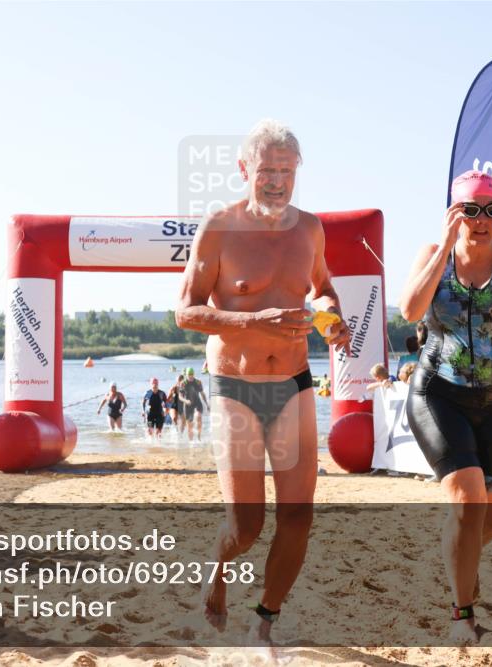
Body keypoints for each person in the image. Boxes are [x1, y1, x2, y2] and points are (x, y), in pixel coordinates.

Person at [175, 119, 350, 644]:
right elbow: (185, 312)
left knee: (298, 515)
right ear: (245, 169)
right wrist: (254, 322)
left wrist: (330, 317)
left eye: (287, 171)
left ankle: (264, 622)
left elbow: (323, 290)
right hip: (235, 385)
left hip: (294, 381)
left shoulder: (310, 229)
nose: (277, 181)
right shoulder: (220, 226)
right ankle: (219, 565)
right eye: (267, 170)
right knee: (246, 529)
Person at [398, 170, 492, 644]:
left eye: (490, 210)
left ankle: (459, 557)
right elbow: (409, 310)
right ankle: (462, 614)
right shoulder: (433, 255)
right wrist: (444, 247)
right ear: (454, 213)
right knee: (468, 501)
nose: (481, 220)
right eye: (471, 210)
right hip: (437, 394)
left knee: (489, 519)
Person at [179, 367, 209, 441]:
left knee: (198, 417)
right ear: (186, 375)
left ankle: (199, 437)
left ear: (194, 374)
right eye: (189, 374)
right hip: (187, 405)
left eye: (192, 374)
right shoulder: (183, 383)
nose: (191, 376)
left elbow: (202, 394)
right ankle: (191, 442)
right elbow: (180, 397)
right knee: (190, 426)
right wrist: (186, 401)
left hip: (197, 403)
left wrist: (207, 404)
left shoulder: (198, 382)